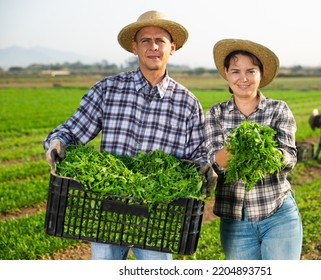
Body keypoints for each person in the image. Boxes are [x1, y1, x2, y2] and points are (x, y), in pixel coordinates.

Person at [43, 10, 217, 260]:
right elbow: (72, 130)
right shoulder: (108, 89)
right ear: (135, 48)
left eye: (161, 41)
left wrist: (206, 167)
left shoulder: (187, 102)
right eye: (146, 40)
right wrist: (57, 143)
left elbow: (198, 155)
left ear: (172, 48)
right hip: (107, 214)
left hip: (158, 218)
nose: (153, 46)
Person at [204, 39, 302, 260]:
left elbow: (290, 157)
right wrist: (231, 152)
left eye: (251, 71)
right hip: (235, 221)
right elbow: (216, 163)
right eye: (236, 71)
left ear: (260, 74)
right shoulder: (215, 114)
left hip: (278, 213)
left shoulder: (278, 109)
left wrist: (267, 154)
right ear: (227, 74)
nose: (244, 78)